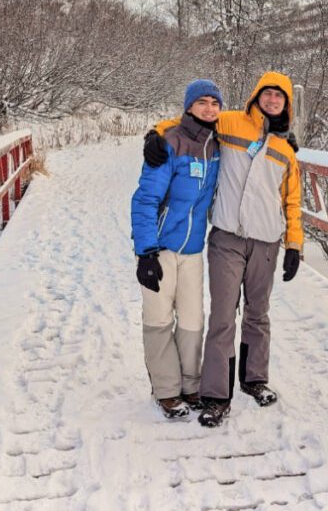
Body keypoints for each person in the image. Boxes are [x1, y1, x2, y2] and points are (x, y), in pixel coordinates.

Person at [144, 71, 303, 427]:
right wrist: (155, 133)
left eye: (280, 96)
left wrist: (294, 243)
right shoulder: (230, 123)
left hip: (267, 241)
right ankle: (216, 395)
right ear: (256, 96)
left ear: (287, 103)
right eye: (268, 93)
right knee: (221, 317)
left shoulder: (286, 149)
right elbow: (192, 120)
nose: (273, 100)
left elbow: (292, 200)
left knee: (258, 314)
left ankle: (254, 379)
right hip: (227, 237)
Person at [130, 79, 223, 419]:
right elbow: (144, 199)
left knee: (193, 320)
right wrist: (145, 252)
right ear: (188, 106)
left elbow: (255, 123)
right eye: (202, 102)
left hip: (193, 251)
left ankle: (191, 384)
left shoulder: (217, 145)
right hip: (161, 247)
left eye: (215, 102)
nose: (209, 108)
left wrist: (283, 134)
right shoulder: (169, 143)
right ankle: (167, 391)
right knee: (158, 319)